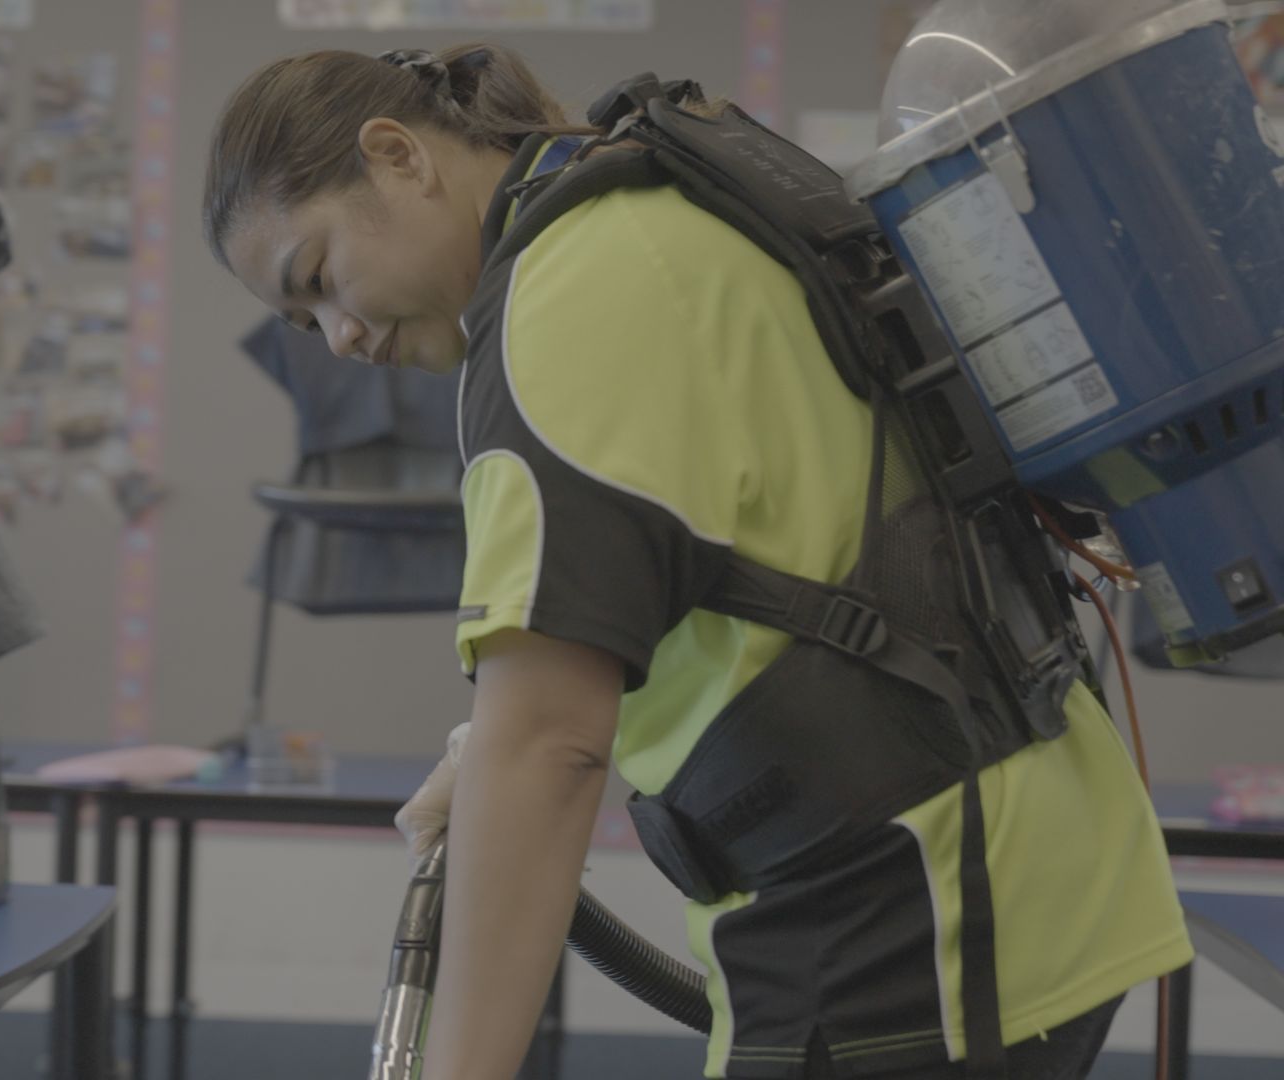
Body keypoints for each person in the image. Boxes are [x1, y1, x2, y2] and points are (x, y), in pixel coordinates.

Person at [201, 43, 1192, 1080]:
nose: (339, 335)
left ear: (398, 155)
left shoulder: (562, 301)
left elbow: (549, 747)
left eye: (316, 279)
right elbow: (755, 558)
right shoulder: (647, 216)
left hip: (916, 907)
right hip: (1011, 856)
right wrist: (484, 745)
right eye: (301, 322)